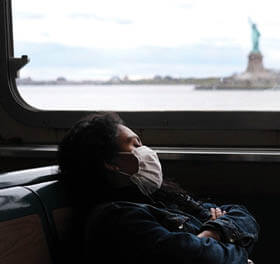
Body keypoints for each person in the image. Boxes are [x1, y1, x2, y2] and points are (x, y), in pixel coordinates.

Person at [57, 112, 259, 264]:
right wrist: (230, 242)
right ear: (111, 162)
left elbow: (242, 215)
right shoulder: (119, 219)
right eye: (134, 145)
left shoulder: (159, 197)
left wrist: (212, 234)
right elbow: (202, 260)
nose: (146, 151)